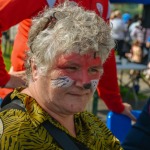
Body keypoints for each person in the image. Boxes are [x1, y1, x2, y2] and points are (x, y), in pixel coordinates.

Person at [0, 2, 123, 149]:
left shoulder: (91, 126)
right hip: (30, 103)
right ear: (35, 67)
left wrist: (116, 104)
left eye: (93, 70)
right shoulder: (14, 134)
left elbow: (104, 57)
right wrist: (4, 78)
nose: (85, 82)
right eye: (71, 68)